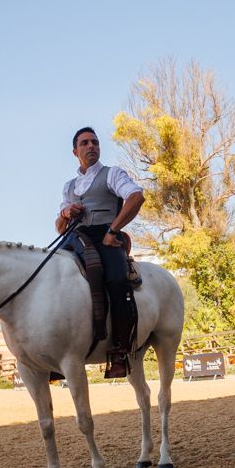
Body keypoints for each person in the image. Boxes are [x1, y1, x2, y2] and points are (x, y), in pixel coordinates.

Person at [57, 127, 146, 377]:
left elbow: (136, 197)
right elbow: (58, 228)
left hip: (105, 237)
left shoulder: (112, 174)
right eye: (84, 143)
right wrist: (66, 213)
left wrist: (113, 230)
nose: (91, 146)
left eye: (95, 142)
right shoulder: (69, 186)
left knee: (117, 279)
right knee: (51, 276)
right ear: (76, 151)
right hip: (75, 237)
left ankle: (120, 348)